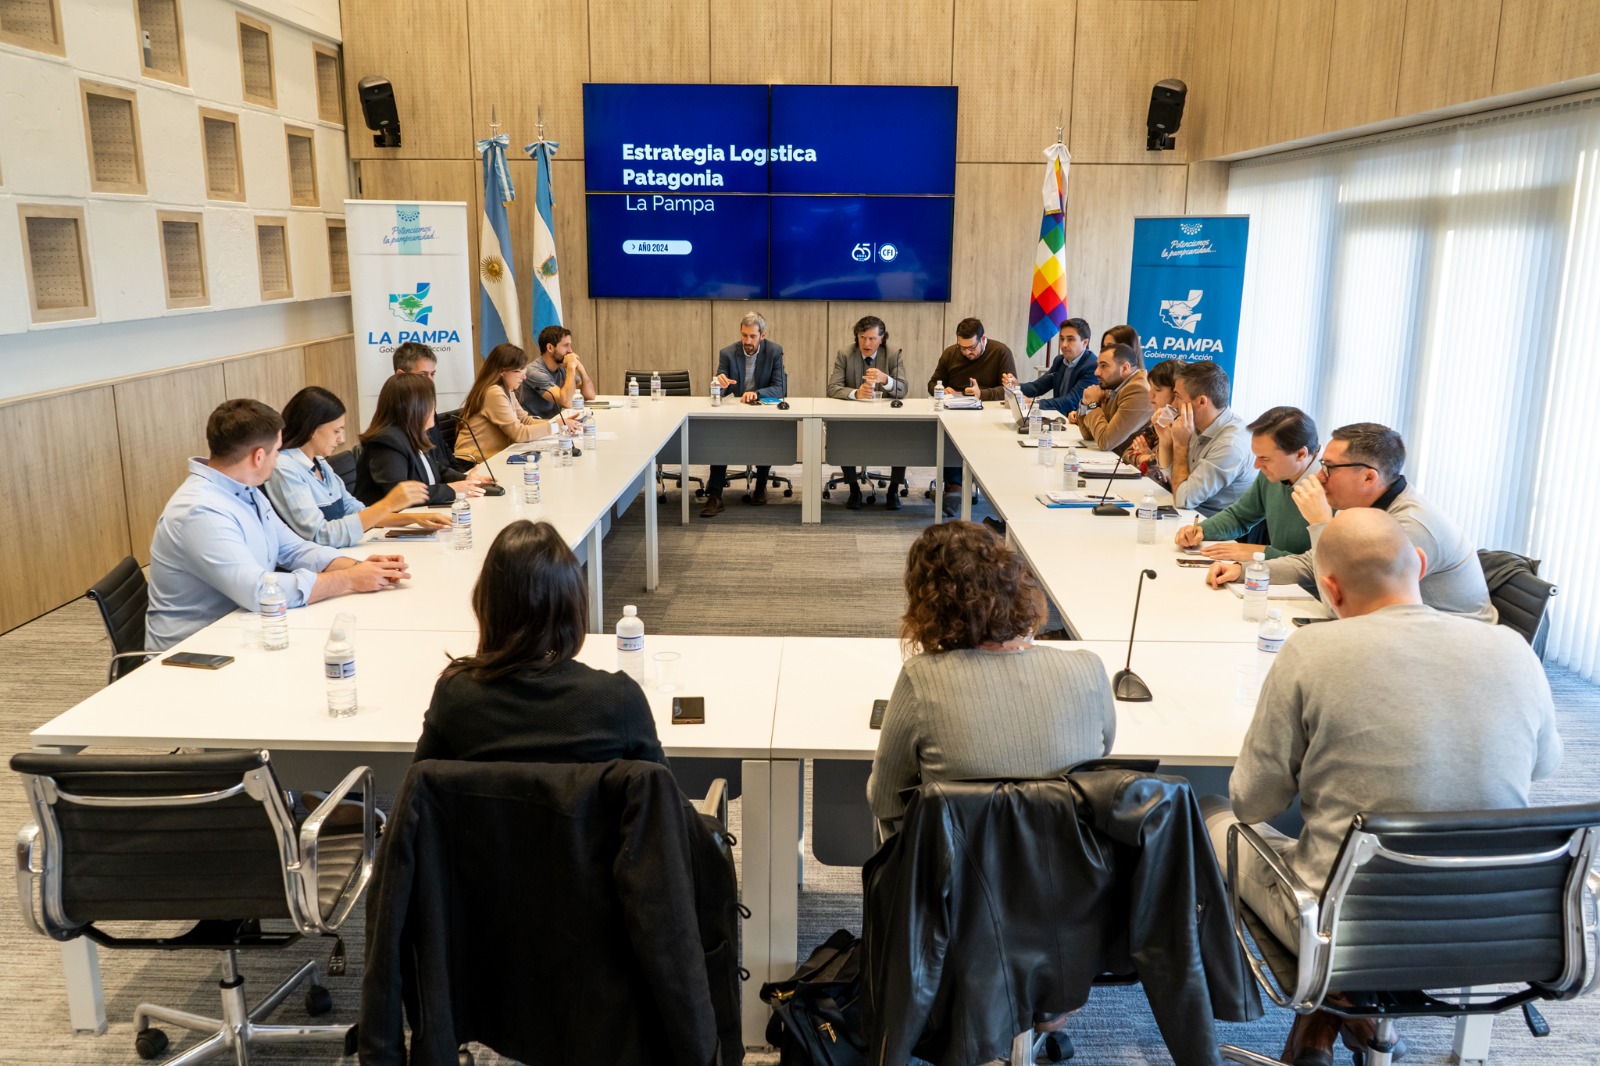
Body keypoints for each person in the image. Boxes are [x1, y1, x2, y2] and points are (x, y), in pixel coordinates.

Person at [1201, 508, 1560, 1064]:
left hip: (1346, 923)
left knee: (1211, 813)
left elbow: (1254, 802)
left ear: (1329, 587)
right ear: (1418, 564)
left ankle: (1336, 996)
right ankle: (1341, 1009)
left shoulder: (1309, 652)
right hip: (1499, 921)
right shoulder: (1512, 647)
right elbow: (1542, 768)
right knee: (1366, 829)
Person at [867, 521, 1116, 833]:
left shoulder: (922, 677)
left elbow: (885, 802)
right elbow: (1100, 754)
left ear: (927, 603)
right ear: (1017, 583)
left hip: (958, 875)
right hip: (1074, 872)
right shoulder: (1088, 669)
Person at [146, 399, 411, 651]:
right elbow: (259, 591)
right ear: (259, 457)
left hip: (241, 628)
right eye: (277, 451)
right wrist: (348, 579)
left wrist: (360, 567)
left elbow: (293, 548)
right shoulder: (201, 511)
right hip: (195, 651)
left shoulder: (243, 490)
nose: (280, 459)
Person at [414, 519, 666, 765]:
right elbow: (658, 797)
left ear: (486, 602)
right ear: (573, 604)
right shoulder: (616, 698)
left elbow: (421, 791)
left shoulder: (456, 696)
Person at [1204, 423, 1496, 622]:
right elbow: (1310, 563)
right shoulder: (1365, 506)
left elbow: (1341, 610)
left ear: (1369, 477)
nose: (1319, 477)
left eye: (1329, 469)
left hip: (1452, 651)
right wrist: (1246, 572)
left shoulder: (1409, 528)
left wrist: (1320, 524)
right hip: (1406, 631)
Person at [264, 386, 450, 547]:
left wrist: (414, 520)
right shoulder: (285, 469)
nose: (341, 439)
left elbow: (357, 512)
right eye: (336, 431)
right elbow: (321, 534)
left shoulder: (319, 463)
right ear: (312, 429)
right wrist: (388, 504)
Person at [1176, 406, 1319, 560]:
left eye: (1265, 458)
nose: (1256, 465)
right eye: (1257, 456)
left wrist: (1262, 553)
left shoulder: (1335, 486)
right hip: (1274, 574)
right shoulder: (1274, 473)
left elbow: (1319, 564)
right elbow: (1240, 516)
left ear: (1300, 454)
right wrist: (1202, 530)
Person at [356, 374, 489, 507]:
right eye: (430, 403)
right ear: (414, 407)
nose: (434, 409)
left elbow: (434, 469)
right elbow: (400, 494)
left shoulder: (414, 433)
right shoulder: (387, 443)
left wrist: (466, 480)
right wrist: (452, 489)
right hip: (386, 524)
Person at [929, 318, 1018, 515]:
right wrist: (942, 390)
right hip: (955, 412)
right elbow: (933, 383)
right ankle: (955, 487)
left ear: (983, 339)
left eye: (971, 348)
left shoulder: (1001, 352)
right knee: (948, 436)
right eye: (962, 347)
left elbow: (1010, 390)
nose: (967, 352)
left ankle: (978, 487)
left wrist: (982, 394)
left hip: (989, 416)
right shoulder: (951, 353)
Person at [702, 311, 787, 517]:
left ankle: (761, 485)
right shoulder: (728, 353)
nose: (747, 341)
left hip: (761, 411)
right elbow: (719, 387)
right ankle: (715, 496)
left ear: (763, 336)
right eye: (744, 335)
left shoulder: (774, 351)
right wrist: (718, 385)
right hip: (734, 412)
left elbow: (780, 388)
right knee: (719, 437)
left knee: (767, 432)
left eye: (752, 336)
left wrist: (756, 393)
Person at [827, 315, 909, 510]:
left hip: (886, 419)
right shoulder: (845, 353)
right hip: (852, 418)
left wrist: (886, 379)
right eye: (862, 337)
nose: (866, 343)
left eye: (872, 338)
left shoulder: (892, 354)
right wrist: (856, 393)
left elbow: (903, 389)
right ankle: (854, 489)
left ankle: (893, 489)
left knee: (905, 435)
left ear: (882, 339)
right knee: (841, 435)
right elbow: (832, 388)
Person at [1154, 360, 1255, 516]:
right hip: (1193, 515)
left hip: (1218, 527)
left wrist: (1180, 445)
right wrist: (1165, 440)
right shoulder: (1197, 424)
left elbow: (1184, 499)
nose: (1173, 404)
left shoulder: (1230, 444)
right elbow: (1170, 479)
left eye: (1178, 397)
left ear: (1201, 401)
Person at [455, 342, 577, 465]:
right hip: (472, 463)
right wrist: (556, 426)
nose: (524, 377)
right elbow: (519, 434)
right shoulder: (493, 392)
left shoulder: (506, 389)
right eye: (519, 371)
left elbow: (525, 420)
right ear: (503, 371)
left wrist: (560, 423)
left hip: (492, 459)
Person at [1068, 342, 1152, 455]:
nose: (1096, 372)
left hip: (1128, 467)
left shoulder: (1138, 390)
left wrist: (1091, 404)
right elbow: (1088, 435)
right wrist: (1085, 403)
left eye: (1104, 366)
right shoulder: (1115, 384)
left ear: (1125, 368)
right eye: (1098, 365)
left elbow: (1105, 442)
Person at [1002, 317, 1096, 414]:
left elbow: (1072, 401)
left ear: (1085, 342)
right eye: (1062, 339)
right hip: (1059, 417)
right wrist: (1016, 386)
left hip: (1078, 422)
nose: (1063, 344)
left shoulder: (1092, 366)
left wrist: (1033, 402)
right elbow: (1038, 386)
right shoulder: (1060, 360)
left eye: (1070, 339)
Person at [1121, 357, 1179, 489]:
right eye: (1150, 388)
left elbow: (1162, 478)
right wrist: (1148, 458)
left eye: (1157, 390)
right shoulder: (1161, 420)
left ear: (1177, 393)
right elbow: (1127, 454)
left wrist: (1147, 457)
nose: (1150, 394)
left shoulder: (1183, 427)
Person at [519, 325, 596, 419]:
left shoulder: (561, 368)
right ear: (550, 348)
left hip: (555, 424)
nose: (570, 351)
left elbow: (590, 395)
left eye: (570, 345)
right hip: (536, 427)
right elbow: (566, 402)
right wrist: (571, 367)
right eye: (565, 346)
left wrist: (581, 369)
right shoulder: (534, 372)